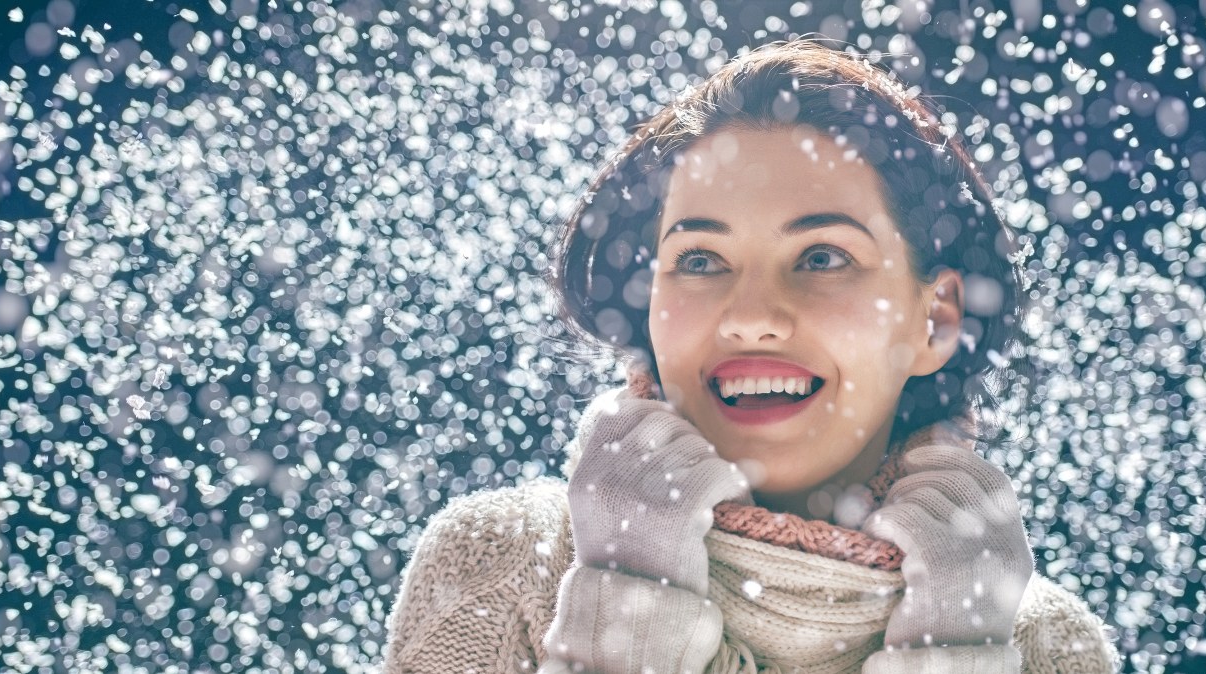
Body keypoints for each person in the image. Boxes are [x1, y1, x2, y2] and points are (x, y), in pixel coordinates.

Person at [381, 39, 1119, 673]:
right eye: (700, 260)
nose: (752, 317)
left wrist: (959, 651)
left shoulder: (1042, 645)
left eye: (823, 256)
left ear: (935, 321)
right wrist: (625, 606)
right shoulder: (502, 564)